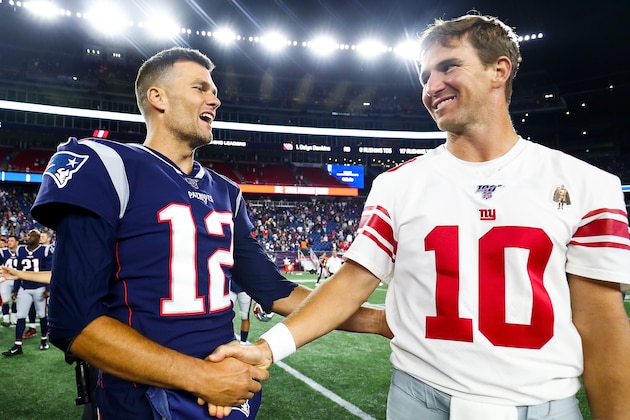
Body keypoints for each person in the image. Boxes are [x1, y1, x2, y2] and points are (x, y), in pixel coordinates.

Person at [211, 14, 630, 419]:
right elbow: (352, 283)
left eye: (448, 66)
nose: (432, 86)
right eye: (425, 75)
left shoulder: (586, 184)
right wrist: (267, 349)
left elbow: (602, 325)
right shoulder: (397, 185)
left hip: (543, 405)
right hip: (419, 399)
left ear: (499, 70)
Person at [30, 47, 389, 419]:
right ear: (158, 97)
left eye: (213, 90)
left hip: (225, 395)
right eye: (200, 88)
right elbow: (75, 320)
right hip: (142, 401)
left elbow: (275, 290)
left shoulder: (226, 192)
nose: (214, 99)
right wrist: (200, 376)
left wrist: (377, 321)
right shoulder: (106, 165)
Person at [2, 229, 52, 356]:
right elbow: (18, 271)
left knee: (42, 315)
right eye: (28, 235)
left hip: (39, 288)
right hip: (24, 287)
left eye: (32, 235)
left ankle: (44, 340)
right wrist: (16, 289)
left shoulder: (44, 250)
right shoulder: (21, 250)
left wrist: (48, 289)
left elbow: (49, 270)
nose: (29, 237)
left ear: (38, 237)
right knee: (21, 316)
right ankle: (17, 345)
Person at [0, 234, 19, 327]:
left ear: (17, 242)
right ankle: (6, 319)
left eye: (12, 241)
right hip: (6, 279)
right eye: (8, 241)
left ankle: (14, 317)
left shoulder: (21, 251)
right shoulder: (3, 251)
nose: (9, 242)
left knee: (16, 299)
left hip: (17, 278)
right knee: (5, 300)